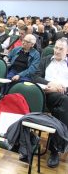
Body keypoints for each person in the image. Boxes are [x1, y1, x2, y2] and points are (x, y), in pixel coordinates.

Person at [32, 38, 68, 168]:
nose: (57, 51)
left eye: (61, 49)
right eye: (56, 48)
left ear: (67, 51)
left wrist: (63, 88)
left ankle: (55, 147)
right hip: (47, 94)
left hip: (65, 95)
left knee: (61, 108)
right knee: (64, 102)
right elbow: (35, 77)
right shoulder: (46, 59)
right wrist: (50, 84)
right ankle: (58, 147)